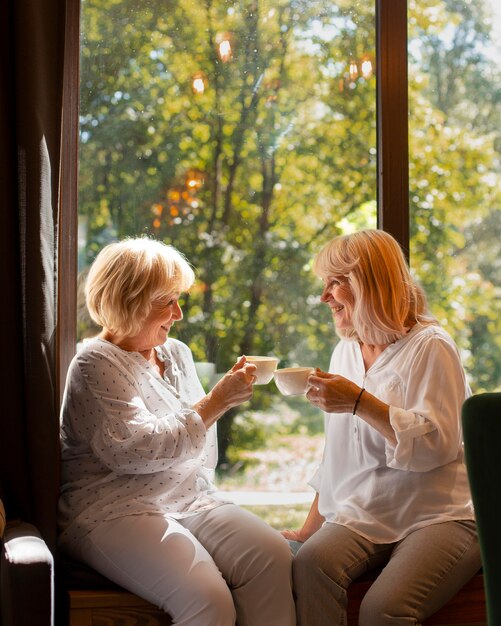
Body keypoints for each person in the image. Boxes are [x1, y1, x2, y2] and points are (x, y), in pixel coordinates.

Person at [58, 237, 295, 626]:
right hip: (113, 509)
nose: (179, 313)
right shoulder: (94, 363)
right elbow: (133, 450)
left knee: (271, 554)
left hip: (188, 498)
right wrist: (217, 401)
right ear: (130, 300)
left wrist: (217, 402)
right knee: (208, 599)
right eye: (167, 301)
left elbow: (198, 449)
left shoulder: (177, 354)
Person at [282, 229, 481, 626]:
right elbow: (338, 455)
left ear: (370, 283)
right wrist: (308, 530)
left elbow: (437, 447)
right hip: (368, 513)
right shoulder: (345, 352)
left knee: (382, 610)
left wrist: (359, 403)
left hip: (440, 514)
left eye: (336, 282)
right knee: (310, 565)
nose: (324, 296)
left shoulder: (431, 346)